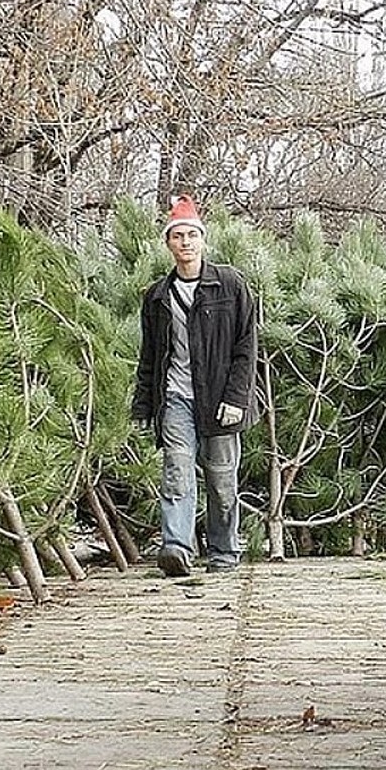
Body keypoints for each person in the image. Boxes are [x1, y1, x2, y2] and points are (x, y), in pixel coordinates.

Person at [131, 194, 258, 577]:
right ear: (168, 244)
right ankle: (176, 548)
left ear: (203, 240)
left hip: (221, 400)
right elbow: (149, 356)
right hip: (175, 399)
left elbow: (246, 347)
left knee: (221, 483)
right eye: (177, 236)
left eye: (191, 235)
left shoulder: (230, 285)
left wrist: (237, 398)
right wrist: (143, 406)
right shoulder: (156, 297)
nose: (185, 242)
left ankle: (223, 551)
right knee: (177, 472)